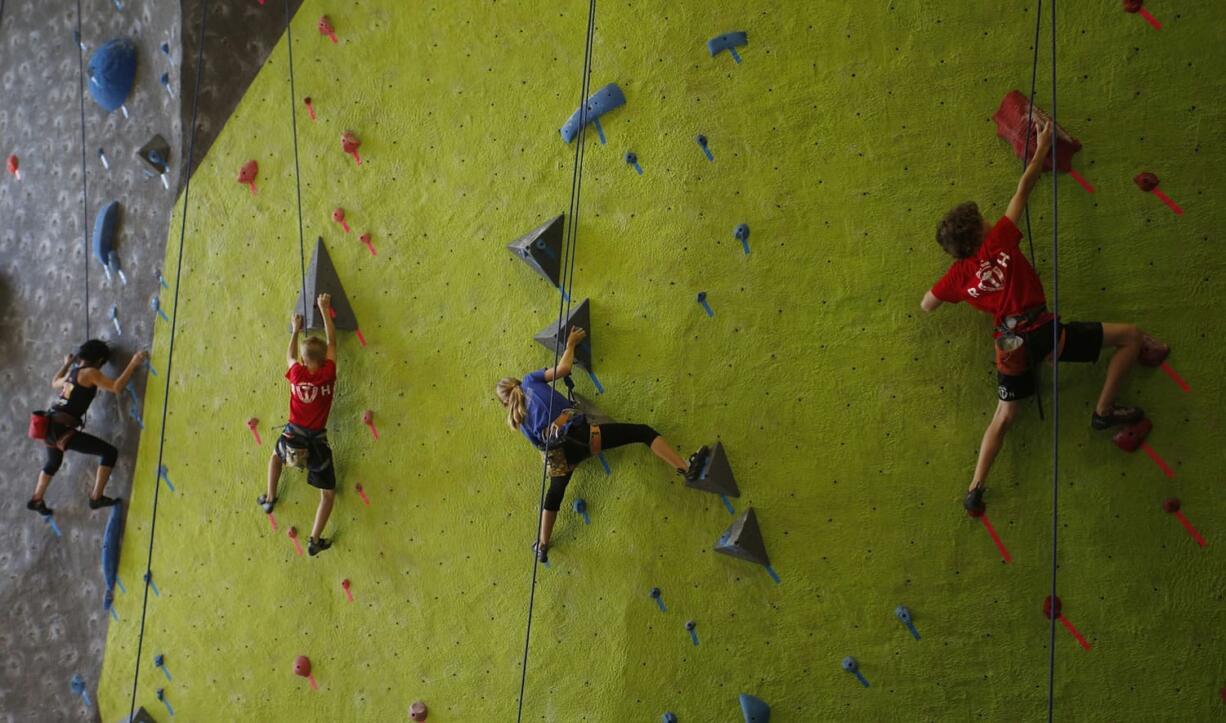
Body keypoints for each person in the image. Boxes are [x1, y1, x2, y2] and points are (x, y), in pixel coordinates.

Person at [920, 120, 1169, 512]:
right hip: (1041, 331)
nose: (989, 219)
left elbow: (927, 304)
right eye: (983, 220)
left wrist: (969, 291)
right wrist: (1042, 145)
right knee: (1131, 336)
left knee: (1003, 415)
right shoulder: (1000, 240)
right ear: (981, 234)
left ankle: (975, 488)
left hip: (1009, 346)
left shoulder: (957, 277)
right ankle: (1103, 411)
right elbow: (1025, 187)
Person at [495, 326, 697, 563]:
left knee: (554, 494)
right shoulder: (530, 380)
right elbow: (564, 369)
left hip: (561, 459)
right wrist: (570, 344)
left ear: (505, 403)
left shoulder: (518, 421)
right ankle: (685, 467)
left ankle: (542, 544)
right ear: (516, 382)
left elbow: (543, 444)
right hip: (583, 438)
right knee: (642, 433)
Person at [27, 340, 146, 515]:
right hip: (62, 429)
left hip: (50, 425)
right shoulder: (90, 373)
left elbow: (54, 382)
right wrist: (134, 363)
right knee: (109, 453)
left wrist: (67, 363)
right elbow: (116, 387)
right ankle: (96, 497)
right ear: (99, 360)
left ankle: (37, 499)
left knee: (53, 463)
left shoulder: (73, 373)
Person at [260, 293, 339, 556]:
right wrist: (324, 310)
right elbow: (332, 343)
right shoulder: (328, 373)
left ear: (305, 362)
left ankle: (270, 499)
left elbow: (290, 355)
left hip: (292, 435)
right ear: (323, 361)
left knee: (275, 456)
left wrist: (295, 331)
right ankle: (314, 539)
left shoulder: (296, 372)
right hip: (316, 443)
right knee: (327, 495)